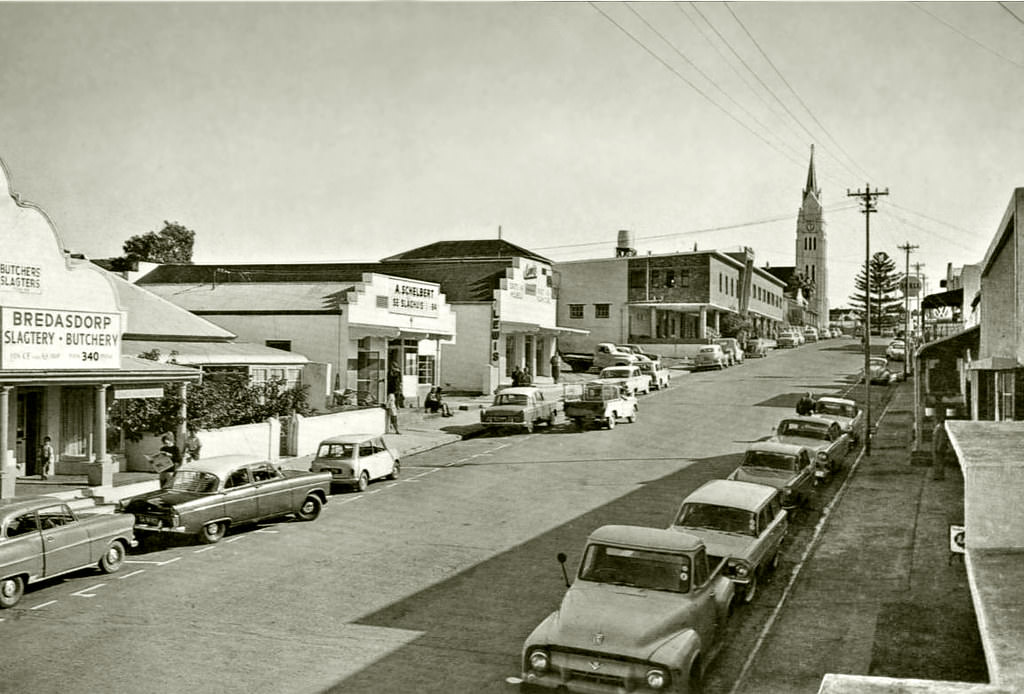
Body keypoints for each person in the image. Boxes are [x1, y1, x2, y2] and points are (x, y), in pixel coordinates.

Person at [932, 410, 952, 481]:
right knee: (938, 462)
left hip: (939, 448)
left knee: (939, 462)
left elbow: (941, 439)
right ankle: (938, 475)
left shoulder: (940, 428)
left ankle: (939, 476)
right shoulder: (939, 427)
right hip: (938, 447)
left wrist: (938, 448)